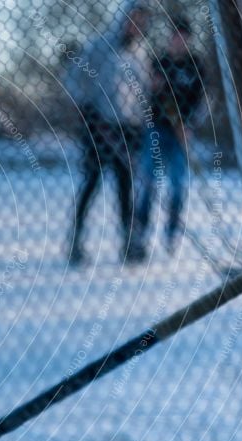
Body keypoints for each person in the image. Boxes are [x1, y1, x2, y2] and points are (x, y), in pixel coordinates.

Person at [65, 2, 153, 266]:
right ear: (123, 19)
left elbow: (143, 93)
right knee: (92, 183)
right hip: (98, 127)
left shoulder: (140, 54)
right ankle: (76, 241)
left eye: (141, 21)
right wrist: (89, 114)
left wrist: (140, 124)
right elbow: (74, 80)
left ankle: (129, 243)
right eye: (132, 19)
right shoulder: (99, 47)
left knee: (126, 187)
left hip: (128, 130)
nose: (135, 26)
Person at [134, 17, 204, 255]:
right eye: (176, 36)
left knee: (178, 184)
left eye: (184, 37)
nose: (179, 41)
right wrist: (152, 88)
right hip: (157, 128)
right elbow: (143, 95)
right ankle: (141, 232)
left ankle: (171, 233)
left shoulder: (196, 65)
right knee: (149, 182)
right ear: (170, 38)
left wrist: (190, 125)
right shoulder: (158, 62)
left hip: (182, 132)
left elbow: (202, 101)